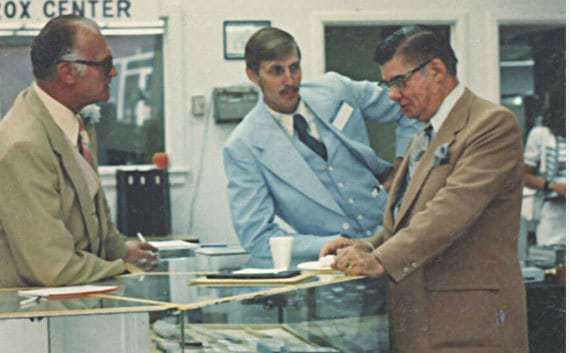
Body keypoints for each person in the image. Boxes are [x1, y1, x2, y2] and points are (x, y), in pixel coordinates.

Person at [321, 26, 528, 352]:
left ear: (436, 70)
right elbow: (407, 219)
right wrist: (365, 246)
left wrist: (380, 260)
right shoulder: (424, 136)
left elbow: (450, 211)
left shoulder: (491, 124)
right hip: (421, 324)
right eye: (387, 85)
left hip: (471, 327)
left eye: (399, 82)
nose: (392, 95)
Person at [223, 27, 421, 263]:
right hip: (337, 265)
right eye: (276, 71)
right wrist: (327, 245)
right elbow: (257, 238)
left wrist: (402, 165)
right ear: (253, 75)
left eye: (294, 68)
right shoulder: (243, 146)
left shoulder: (336, 90)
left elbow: (409, 107)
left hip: (399, 231)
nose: (290, 80)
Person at [0, 15, 157, 288]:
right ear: (67, 72)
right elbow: (54, 268)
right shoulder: (24, 145)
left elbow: (90, 220)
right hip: (35, 322)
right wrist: (122, 268)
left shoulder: (70, 121)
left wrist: (121, 249)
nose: (114, 73)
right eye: (105, 64)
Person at [523, 79, 565, 246]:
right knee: (553, 264)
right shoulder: (541, 134)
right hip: (553, 210)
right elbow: (524, 176)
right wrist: (553, 186)